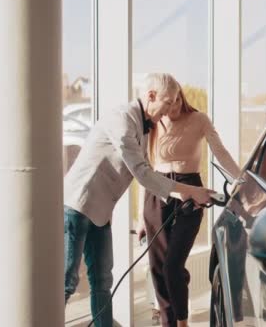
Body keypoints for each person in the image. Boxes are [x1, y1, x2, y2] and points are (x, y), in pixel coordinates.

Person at [63, 73, 216, 327]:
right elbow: (142, 173)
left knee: (102, 280)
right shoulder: (122, 120)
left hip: (101, 211)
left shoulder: (145, 127)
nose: (169, 110)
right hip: (78, 205)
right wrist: (190, 191)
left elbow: (146, 171)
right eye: (167, 103)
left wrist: (185, 192)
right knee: (67, 281)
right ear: (151, 96)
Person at [137, 86, 240, 327]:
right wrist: (142, 218)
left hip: (190, 189)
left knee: (173, 265)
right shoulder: (155, 122)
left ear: (180, 98)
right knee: (157, 266)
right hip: (157, 191)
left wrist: (241, 180)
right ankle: (167, 322)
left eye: (173, 103)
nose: (169, 110)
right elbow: (145, 168)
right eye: (166, 104)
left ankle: (182, 321)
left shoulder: (199, 119)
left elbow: (221, 153)